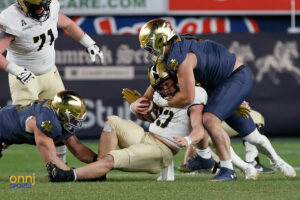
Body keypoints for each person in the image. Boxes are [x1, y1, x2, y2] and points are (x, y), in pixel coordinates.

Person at [46, 61, 259, 182]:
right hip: (146, 136)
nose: (165, 90)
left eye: (168, 84)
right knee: (112, 120)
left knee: (112, 158)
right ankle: (98, 173)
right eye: (161, 86)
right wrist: (135, 108)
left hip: (161, 151)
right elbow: (146, 111)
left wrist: (186, 140)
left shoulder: (195, 94)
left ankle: (69, 175)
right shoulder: (162, 93)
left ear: (178, 79)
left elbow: (198, 127)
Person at [137, 18, 296, 181]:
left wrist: (162, 102)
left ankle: (230, 170)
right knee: (242, 133)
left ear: (161, 41)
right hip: (217, 84)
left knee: (210, 119)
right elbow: (159, 81)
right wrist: (141, 101)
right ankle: (205, 156)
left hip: (234, 78)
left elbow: (187, 97)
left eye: (150, 47)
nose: (150, 52)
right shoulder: (175, 48)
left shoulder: (180, 58)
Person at [0, 0, 104, 163]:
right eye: (37, 6)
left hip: (50, 74)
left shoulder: (52, 5)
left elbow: (68, 24)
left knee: (60, 122)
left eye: (44, 5)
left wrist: (88, 42)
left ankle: (60, 164)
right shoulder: (10, 18)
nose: (42, 9)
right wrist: (16, 70)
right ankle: (4, 141)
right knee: (24, 126)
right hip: (25, 78)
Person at [0, 90, 98, 171]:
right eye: (73, 119)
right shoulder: (46, 122)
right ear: (62, 115)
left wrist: (100, 161)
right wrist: (80, 174)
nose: (76, 123)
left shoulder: (55, 117)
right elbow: (53, 163)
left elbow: (76, 147)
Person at [179, 108, 275, 174]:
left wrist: (238, 102)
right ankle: (205, 161)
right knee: (207, 129)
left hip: (219, 120)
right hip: (203, 127)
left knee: (256, 118)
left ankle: (251, 162)